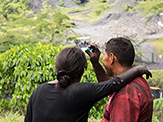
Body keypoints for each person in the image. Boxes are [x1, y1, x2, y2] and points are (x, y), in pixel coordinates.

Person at [24, 47, 152, 122]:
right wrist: (137, 69)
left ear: (58, 68)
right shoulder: (80, 92)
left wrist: (96, 63)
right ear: (80, 73)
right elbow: (114, 84)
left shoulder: (38, 91)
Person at [86, 37, 153, 122]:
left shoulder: (125, 95)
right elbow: (110, 84)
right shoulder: (137, 80)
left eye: (104, 55)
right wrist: (95, 63)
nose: (102, 60)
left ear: (111, 58)